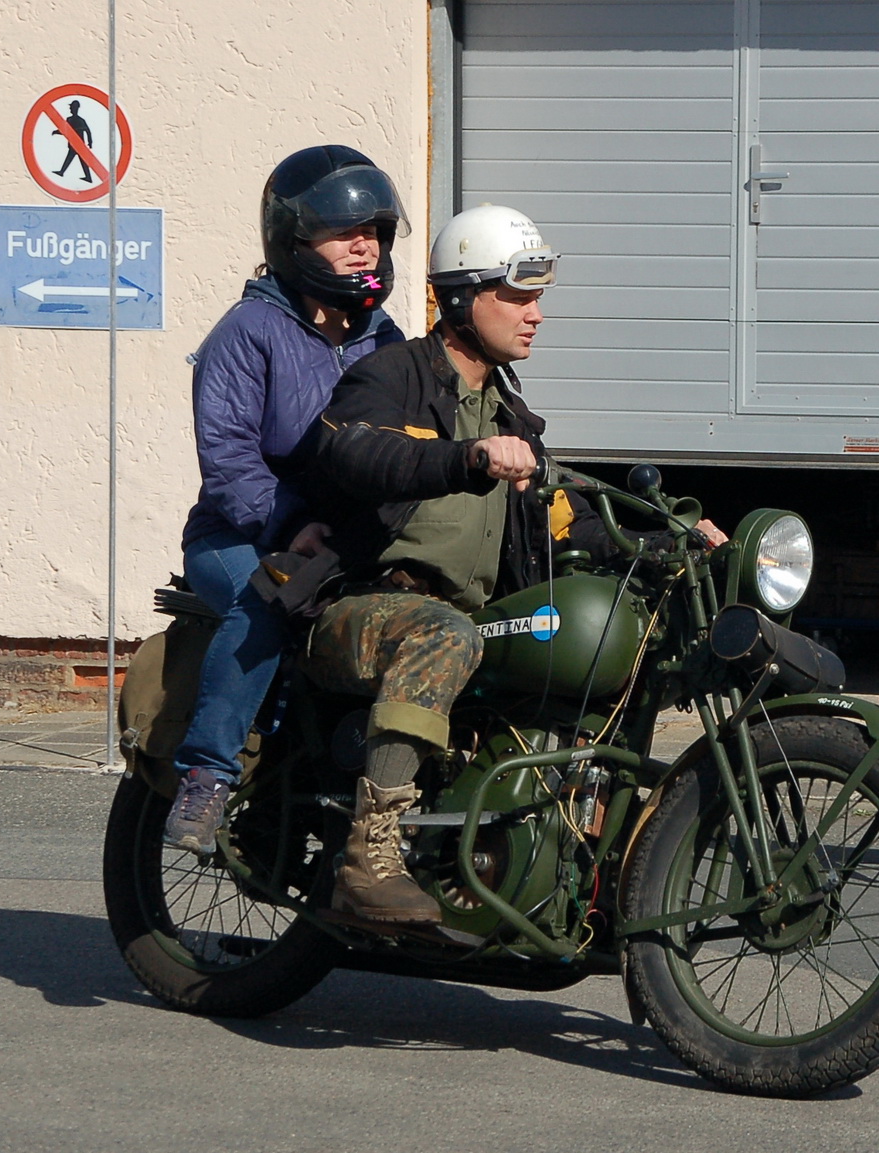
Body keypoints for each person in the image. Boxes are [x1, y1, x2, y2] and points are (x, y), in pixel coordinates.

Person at [295, 204, 721, 924]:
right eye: (519, 296)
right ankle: (372, 853)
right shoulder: (393, 374)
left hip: (464, 620)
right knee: (444, 632)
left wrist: (667, 537)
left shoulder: (511, 417)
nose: (535, 315)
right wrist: (465, 457)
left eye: (539, 298)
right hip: (360, 608)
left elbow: (568, 520)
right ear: (463, 297)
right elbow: (351, 449)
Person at [163, 146, 407, 856]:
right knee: (270, 599)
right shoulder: (247, 334)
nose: (365, 244)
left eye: (377, 230)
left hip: (341, 538)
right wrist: (292, 524)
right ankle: (206, 775)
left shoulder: (381, 339)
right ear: (292, 242)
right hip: (238, 535)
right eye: (343, 231)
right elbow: (230, 461)